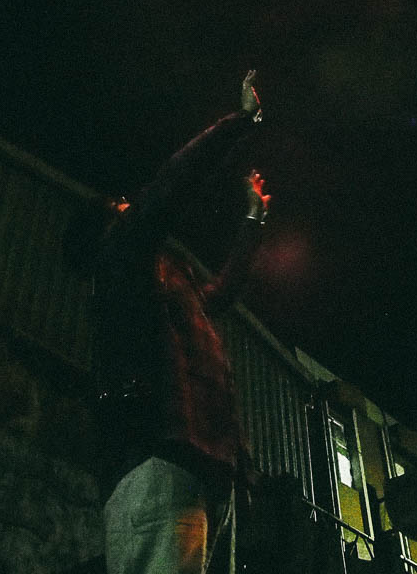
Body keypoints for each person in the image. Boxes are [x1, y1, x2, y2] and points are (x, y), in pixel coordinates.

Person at [79, 70, 273, 574]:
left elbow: (221, 293)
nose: (131, 208)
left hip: (204, 461)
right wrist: (239, 123)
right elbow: (171, 185)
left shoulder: (171, 281)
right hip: (157, 458)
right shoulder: (120, 257)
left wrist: (253, 221)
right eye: (122, 207)